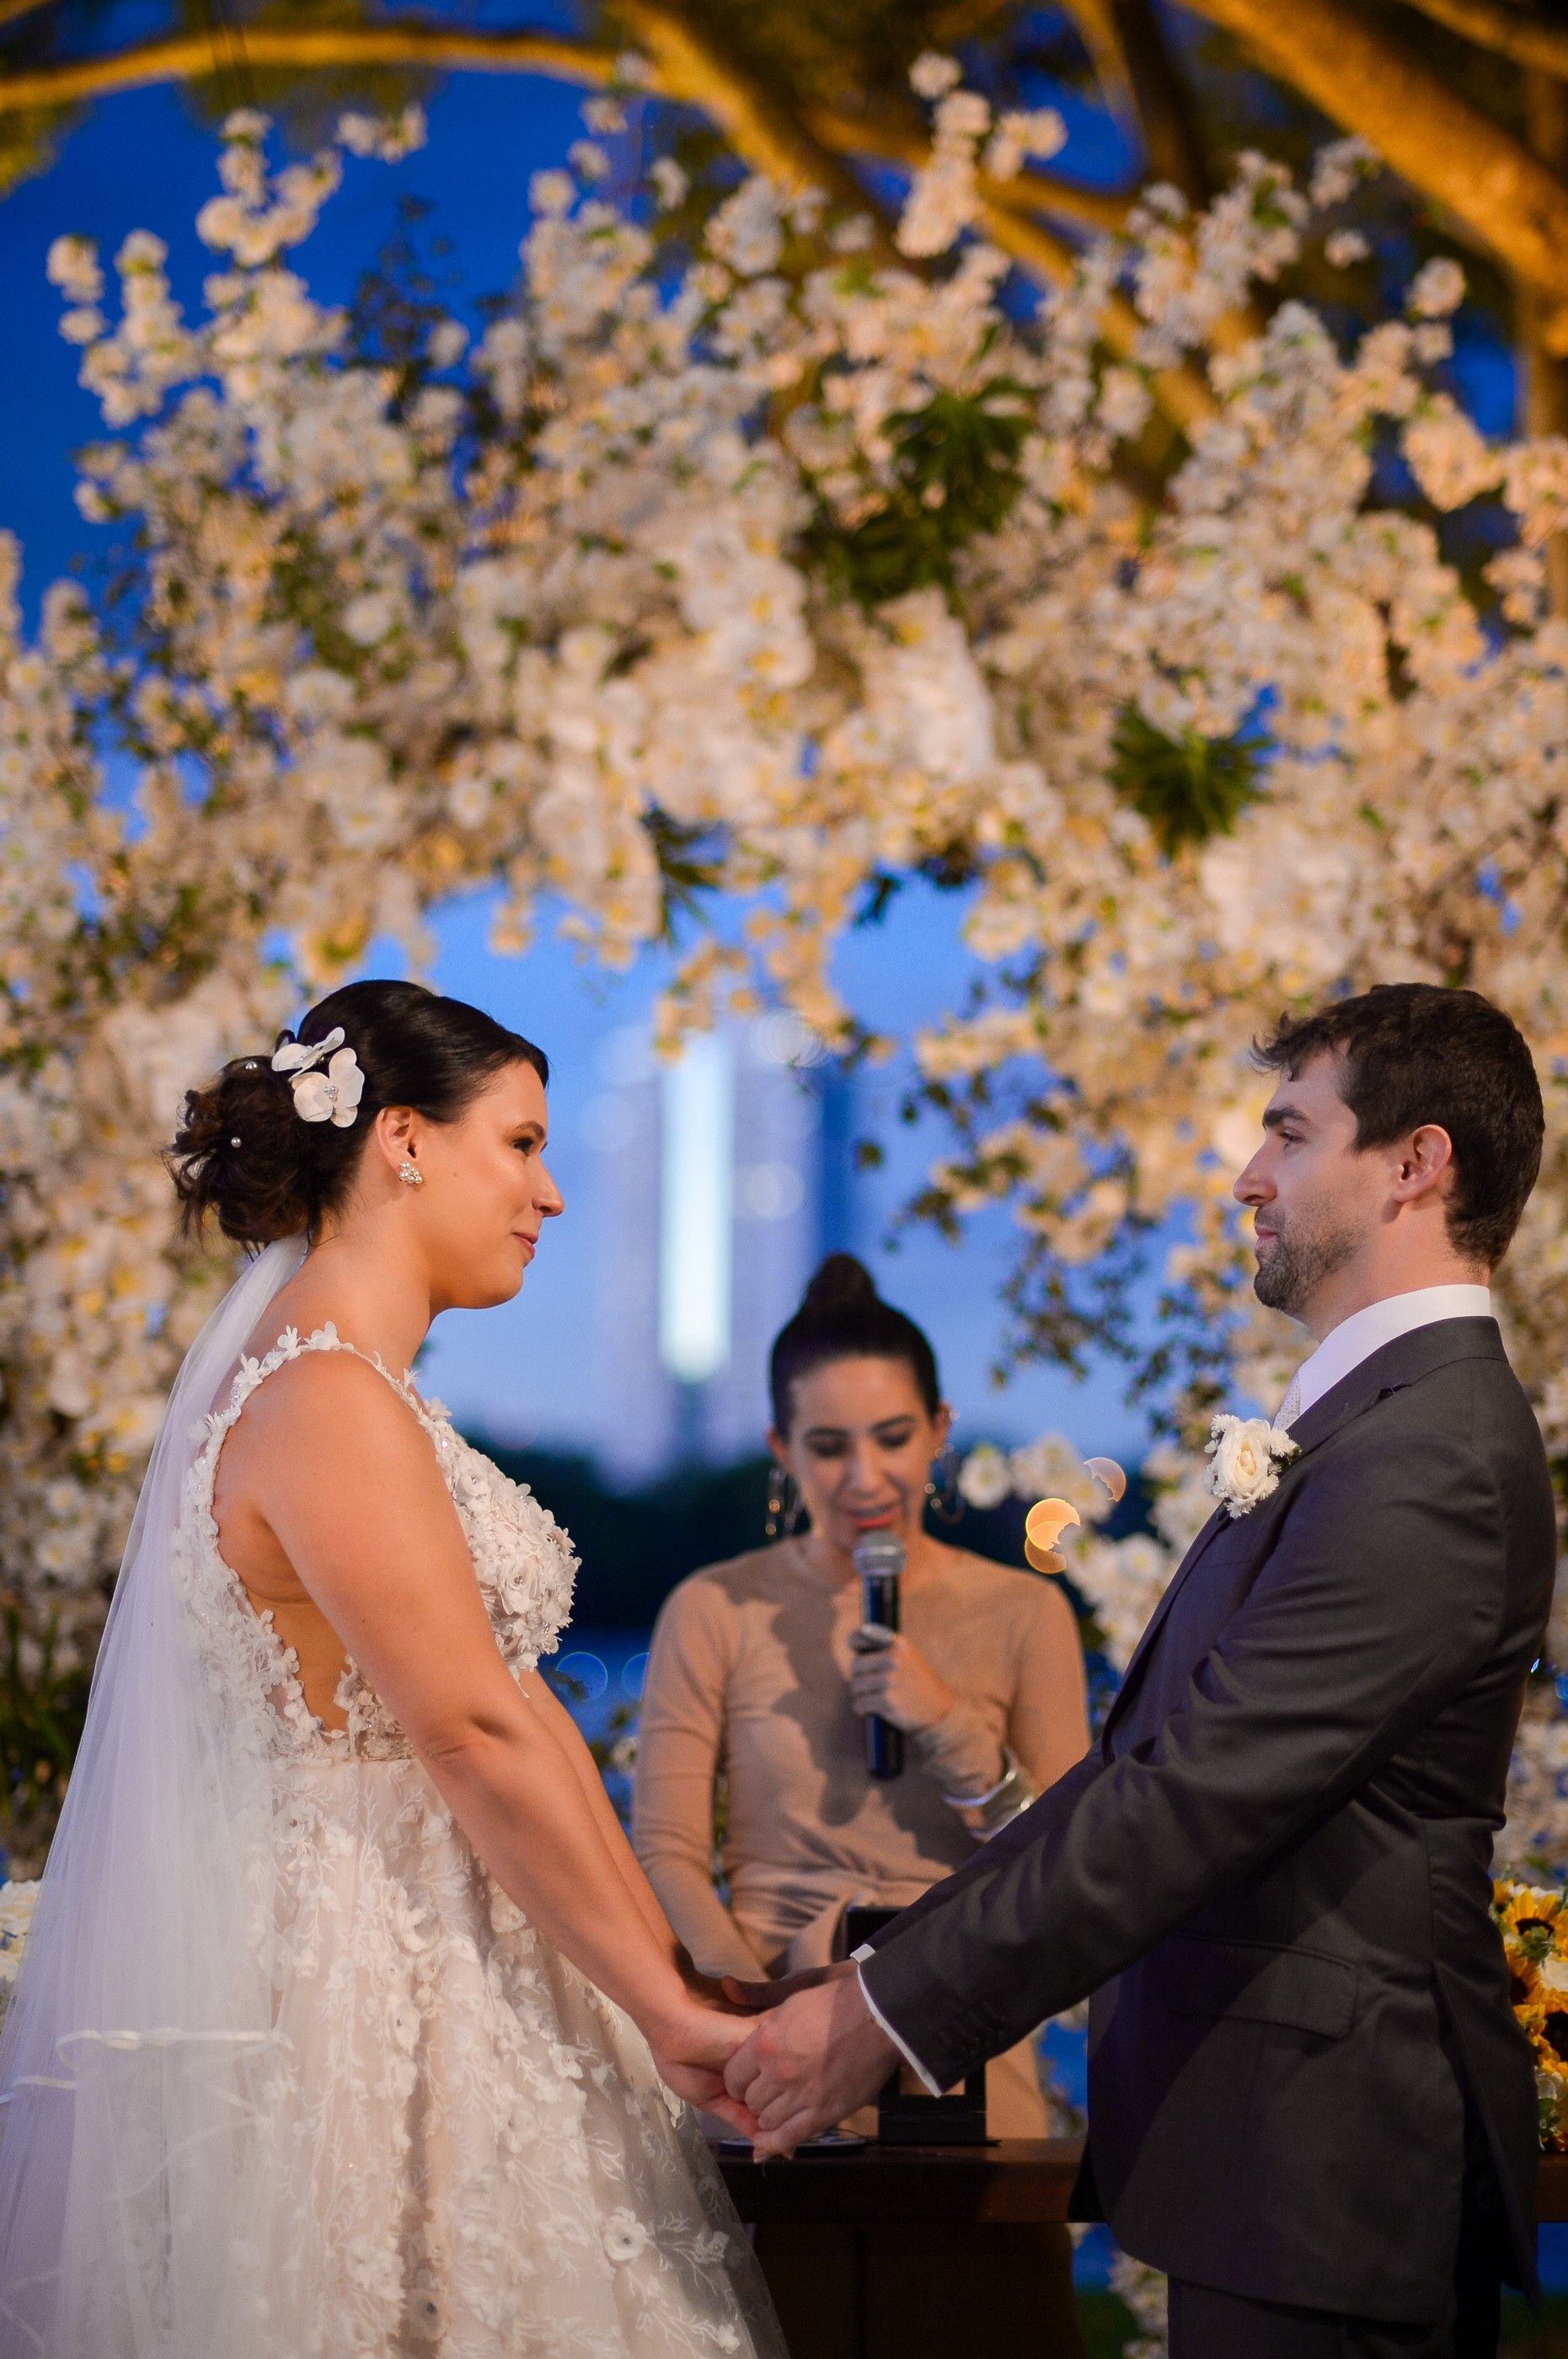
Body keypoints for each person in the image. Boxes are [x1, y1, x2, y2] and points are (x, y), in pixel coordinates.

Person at [725, 982, 1555, 2359]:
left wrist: (885, 2020)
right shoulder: (1375, 1426)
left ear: (1415, 1164)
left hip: (1332, 2167)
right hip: (1269, 2161)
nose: (1248, 1176)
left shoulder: (1433, 1456)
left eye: (1289, 1134)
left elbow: (1193, 1799)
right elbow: (1138, 1770)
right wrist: (872, 1980)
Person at [0, 979, 783, 2359]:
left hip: (480, 1935)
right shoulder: (322, 1401)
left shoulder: (368, 1390)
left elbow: (523, 1710)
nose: (548, 1195)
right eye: (524, 1144)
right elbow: (471, 1730)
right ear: (406, 1141)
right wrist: (660, 2010)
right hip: (368, 1965)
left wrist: (654, 1978)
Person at [633, 1254, 1089, 2357]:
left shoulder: (1023, 1612)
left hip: (963, 2046)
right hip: (768, 2069)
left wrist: (950, 1731)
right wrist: (749, 2011)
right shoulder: (717, 1607)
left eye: (890, 1437)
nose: (862, 1475)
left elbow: (1074, 1866)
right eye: (826, 1446)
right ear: (780, 1453)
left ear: (937, 1430)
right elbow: (667, 1847)